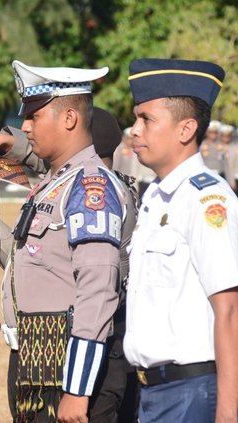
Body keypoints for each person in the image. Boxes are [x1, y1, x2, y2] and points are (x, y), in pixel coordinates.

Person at [0, 60, 125, 422]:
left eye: (34, 116)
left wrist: (77, 391)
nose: (25, 126)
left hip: (67, 371)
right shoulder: (57, 182)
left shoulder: (88, 187)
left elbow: (98, 291)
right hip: (39, 362)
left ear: (69, 119)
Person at [123, 58, 238, 422]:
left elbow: (230, 312)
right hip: (153, 392)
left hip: (193, 393)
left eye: (146, 119)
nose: (134, 130)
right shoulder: (157, 197)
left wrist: (228, 414)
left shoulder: (207, 200)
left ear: (186, 129)